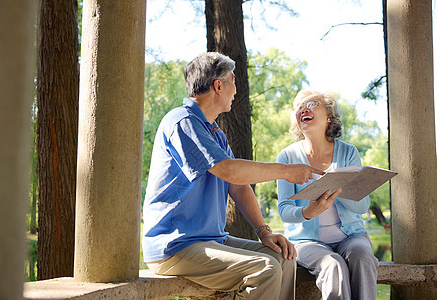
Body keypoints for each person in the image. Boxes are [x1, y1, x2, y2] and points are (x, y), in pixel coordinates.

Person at [142, 52, 323, 300]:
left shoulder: (215, 133)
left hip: (210, 241)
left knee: (283, 257)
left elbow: (238, 186)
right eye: (233, 82)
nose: (236, 90)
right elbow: (228, 170)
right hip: (175, 246)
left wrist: (264, 232)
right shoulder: (182, 121)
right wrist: (286, 171)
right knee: (264, 268)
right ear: (218, 85)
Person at [276, 90, 379, 300]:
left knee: (363, 256)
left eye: (312, 103)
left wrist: (338, 188)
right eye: (298, 107)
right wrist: (307, 211)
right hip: (305, 242)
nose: (303, 109)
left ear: (329, 117)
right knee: (333, 265)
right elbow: (284, 210)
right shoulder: (287, 156)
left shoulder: (348, 153)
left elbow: (362, 205)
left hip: (351, 237)